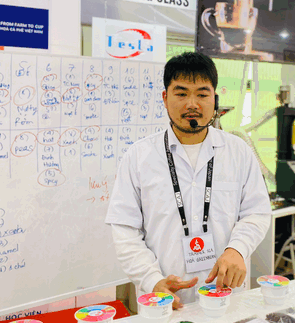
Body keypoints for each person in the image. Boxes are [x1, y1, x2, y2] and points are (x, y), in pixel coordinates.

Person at [106, 52, 271, 308]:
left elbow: (257, 212)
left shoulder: (238, 152)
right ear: (165, 98)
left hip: (226, 294)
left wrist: (238, 248)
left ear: (214, 99)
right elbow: (125, 229)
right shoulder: (138, 156)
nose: (192, 104)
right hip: (164, 299)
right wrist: (151, 280)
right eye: (181, 94)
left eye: (202, 95)